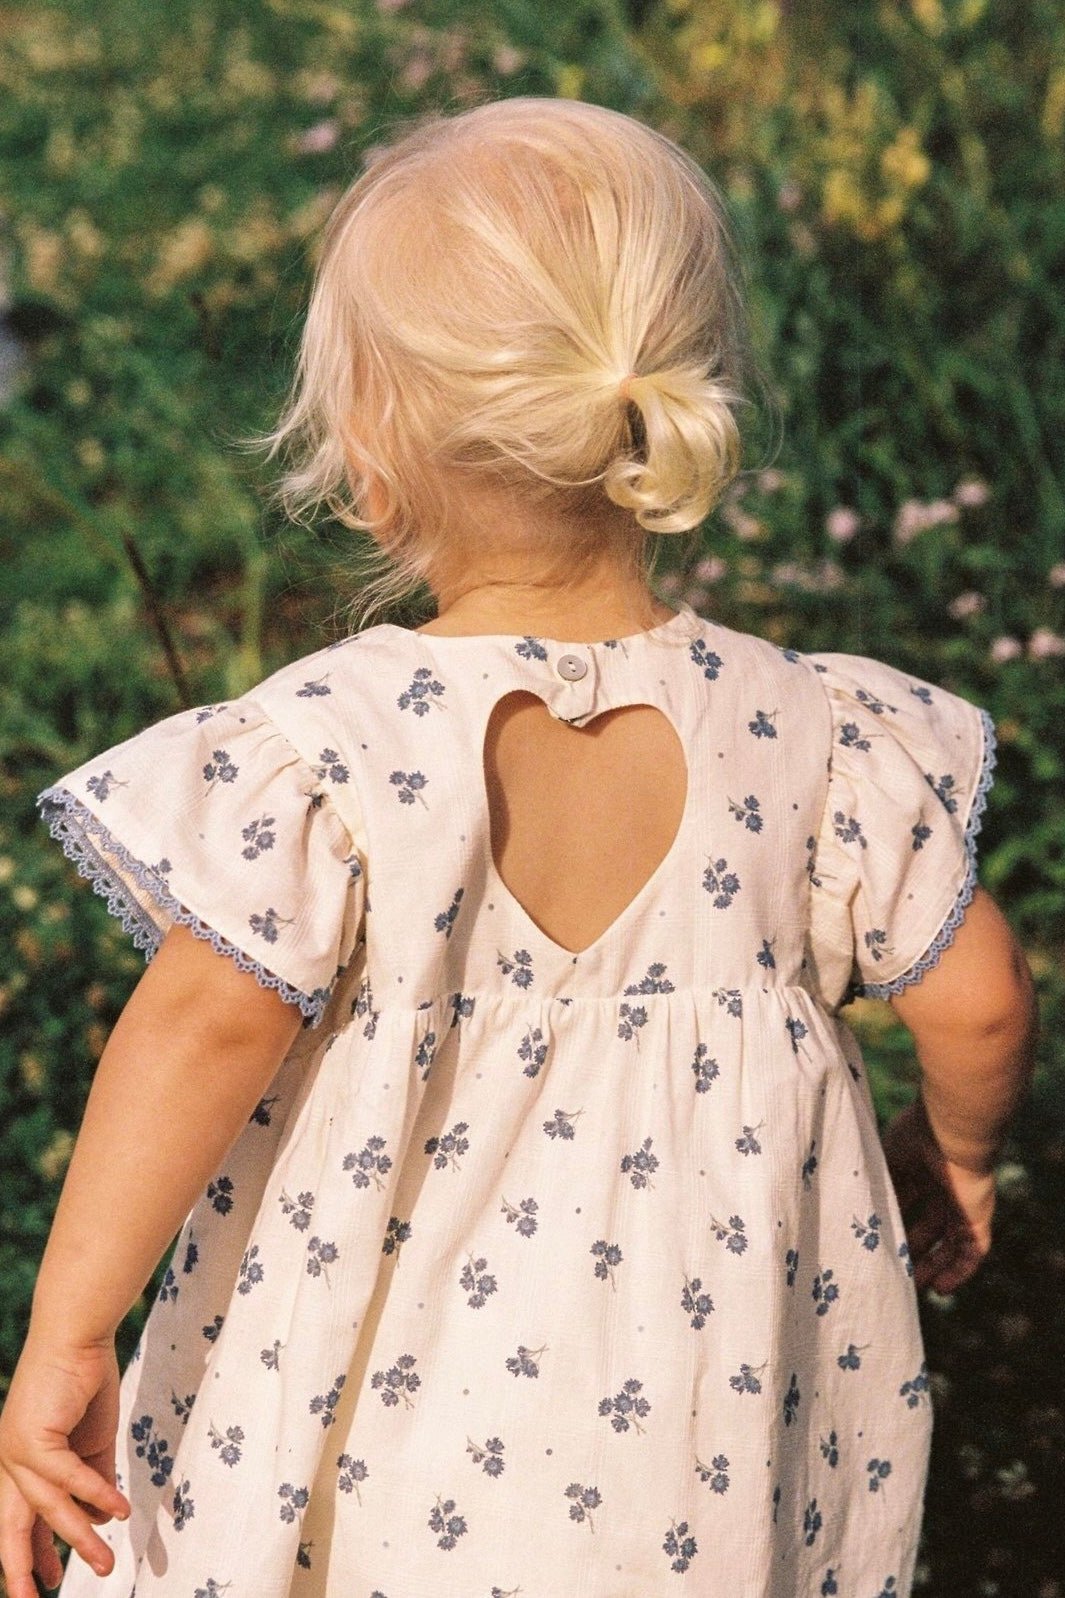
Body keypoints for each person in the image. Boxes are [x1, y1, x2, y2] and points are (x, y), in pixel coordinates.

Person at [0, 96, 1038, 1598]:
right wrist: (955, 1151)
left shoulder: (338, 748)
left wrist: (69, 1328)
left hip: (383, 1453)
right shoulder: (814, 735)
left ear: (367, 450)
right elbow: (982, 992)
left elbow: (200, 1021)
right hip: (705, 1438)